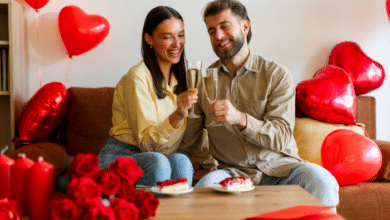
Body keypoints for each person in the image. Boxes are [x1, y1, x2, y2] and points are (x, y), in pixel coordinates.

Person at [179, 0, 339, 211]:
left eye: (225, 26)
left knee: (321, 180)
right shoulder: (203, 81)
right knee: (203, 190)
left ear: (245, 27)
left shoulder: (276, 75)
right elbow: (190, 143)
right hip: (231, 172)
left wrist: (241, 119)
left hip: (281, 168)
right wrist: (181, 113)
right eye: (211, 31)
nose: (218, 36)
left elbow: (281, 136)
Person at [98, 6, 203, 186]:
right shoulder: (137, 77)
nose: (177, 44)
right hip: (121, 155)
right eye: (167, 37)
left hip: (159, 156)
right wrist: (178, 114)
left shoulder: (184, 79)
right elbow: (146, 144)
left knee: (182, 161)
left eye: (181, 35)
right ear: (149, 39)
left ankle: (179, 214)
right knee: (159, 162)